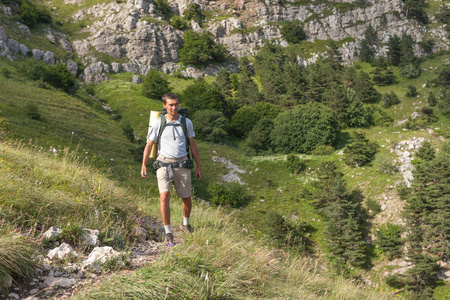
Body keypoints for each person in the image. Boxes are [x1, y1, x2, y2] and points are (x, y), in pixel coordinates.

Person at [141, 93, 202, 245]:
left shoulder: (186, 122)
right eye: (171, 105)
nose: (174, 107)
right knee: (164, 196)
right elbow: (149, 144)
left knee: (186, 197)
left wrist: (199, 165)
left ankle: (185, 224)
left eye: (176, 104)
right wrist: (143, 164)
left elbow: (193, 145)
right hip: (163, 163)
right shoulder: (158, 123)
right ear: (164, 106)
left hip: (182, 163)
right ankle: (168, 232)